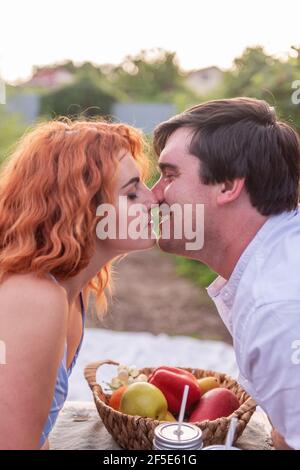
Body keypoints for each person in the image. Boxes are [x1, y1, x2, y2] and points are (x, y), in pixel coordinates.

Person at [152, 97, 300, 450]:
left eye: (170, 175)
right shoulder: (276, 269)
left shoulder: (278, 308)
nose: (154, 194)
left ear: (228, 185)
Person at [0, 119, 157, 449]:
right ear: (82, 208)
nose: (152, 200)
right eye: (131, 193)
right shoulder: (34, 295)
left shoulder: (71, 291)